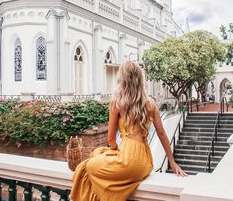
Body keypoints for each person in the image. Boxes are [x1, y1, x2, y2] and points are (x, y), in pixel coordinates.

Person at [70, 61, 187, 201]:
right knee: (97, 155)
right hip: (144, 164)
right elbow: (162, 134)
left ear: (122, 79)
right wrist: (172, 161)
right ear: (140, 79)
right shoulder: (151, 103)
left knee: (88, 166)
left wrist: (114, 150)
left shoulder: (117, 102)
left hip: (126, 160)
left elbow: (111, 138)